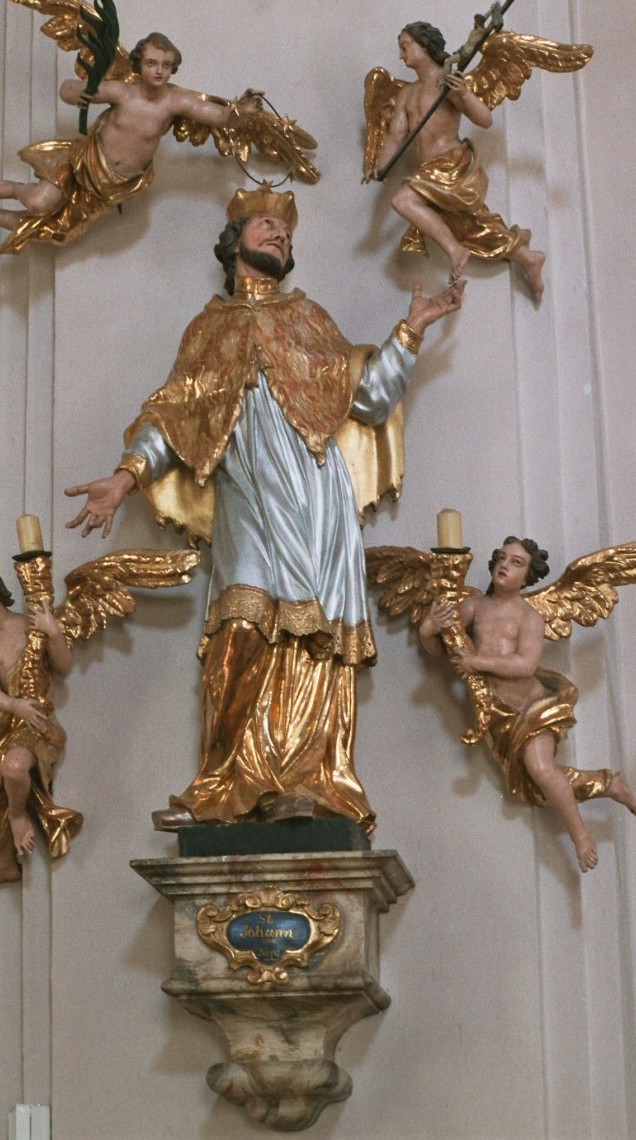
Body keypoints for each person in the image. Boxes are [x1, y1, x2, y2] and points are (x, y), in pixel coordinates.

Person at [65, 185, 464, 832]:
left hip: (315, 492)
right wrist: (125, 477)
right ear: (233, 244)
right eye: (267, 227)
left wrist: (408, 332)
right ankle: (225, 782)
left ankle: (306, 783)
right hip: (247, 495)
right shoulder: (208, 328)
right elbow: (172, 412)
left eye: (286, 230)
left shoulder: (308, 318)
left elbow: (364, 399)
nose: (280, 236)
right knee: (240, 629)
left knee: (311, 633)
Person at [418, 537, 636, 872]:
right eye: (502, 558)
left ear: (528, 576)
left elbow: (524, 665)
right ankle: (608, 784)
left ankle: (581, 840)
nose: (505, 565)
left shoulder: (529, 616)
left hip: (534, 704)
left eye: (517, 562)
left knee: (540, 770)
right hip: (498, 715)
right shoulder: (473, 607)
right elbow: (446, 653)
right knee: (533, 787)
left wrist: (478, 663)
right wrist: (427, 630)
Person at [0, 32, 261, 253]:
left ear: (172, 69)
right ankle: (11, 189)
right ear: (139, 64)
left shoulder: (174, 102)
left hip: (114, 187)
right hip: (83, 163)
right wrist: (80, 92)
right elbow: (68, 91)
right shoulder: (122, 92)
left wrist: (240, 112)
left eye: (166, 65)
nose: (159, 70)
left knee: (59, 232)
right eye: (152, 63)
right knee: (38, 202)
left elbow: (219, 117)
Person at [365, 22, 545, 303]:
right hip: (428, 174)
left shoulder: (446, 81)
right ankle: (528, 257)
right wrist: (380, 165)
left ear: (424, 46)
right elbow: (395, 135)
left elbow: (484, 120)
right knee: (471, 228)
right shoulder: (406, 95)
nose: (401, 55)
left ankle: (454, 250)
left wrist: (463, 93)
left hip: (451, 166)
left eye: (405, 46)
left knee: (403, 201)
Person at [0, 570, 82, 887]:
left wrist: (53, 632)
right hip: (10, 726)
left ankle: (17, 816)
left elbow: (63, 665)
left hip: (40, 722)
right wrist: (14, 705)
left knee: (14, 769)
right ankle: (6, 865)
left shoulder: (29, 624)